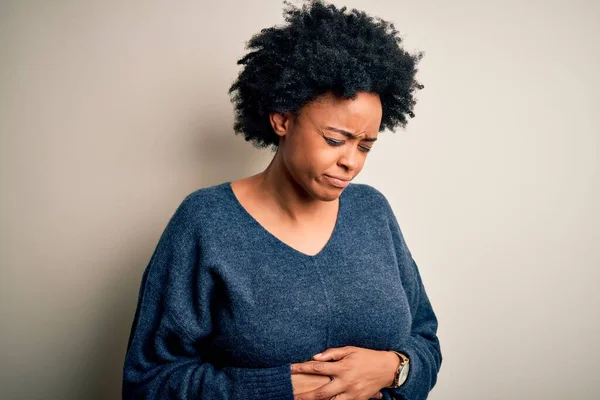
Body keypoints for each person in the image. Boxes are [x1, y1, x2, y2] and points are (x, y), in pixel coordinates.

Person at [122, 1, 442, 399]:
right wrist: (276, 389)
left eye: (366, 147)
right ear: (283, 119)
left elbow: (425, 339)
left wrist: (395, 368)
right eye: (335, 139)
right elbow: (148, 382)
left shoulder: (371, 211)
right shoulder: (206, 222)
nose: (350, 162)